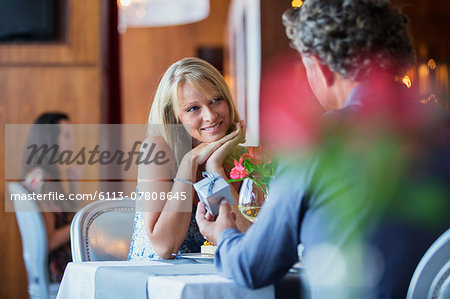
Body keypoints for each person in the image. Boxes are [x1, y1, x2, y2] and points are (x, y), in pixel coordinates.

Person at [196, 0, 449, 298]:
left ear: (322, 67)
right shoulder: (440, 128)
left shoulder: (319, 141)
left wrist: (224, 235)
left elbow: (253, 266)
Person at [128, 57, 251, 260]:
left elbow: (250, 239)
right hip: (154, 284)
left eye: (216, 100)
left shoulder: (246, 159)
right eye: (193, 108)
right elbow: (165, 247)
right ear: (174, 116)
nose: (210, 116)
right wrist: (189, 162)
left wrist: (215, 167)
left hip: (217, 283)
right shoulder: (156, 150)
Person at [22, 112, 81, 282]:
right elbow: (49, 240)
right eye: (67, 136)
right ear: (49, 138)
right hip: (58, 270)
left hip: (58, 266)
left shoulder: (42, 176)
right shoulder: (42, 182)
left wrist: (73, 183)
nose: (73, 142)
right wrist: (83, 223)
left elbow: (67, 217)